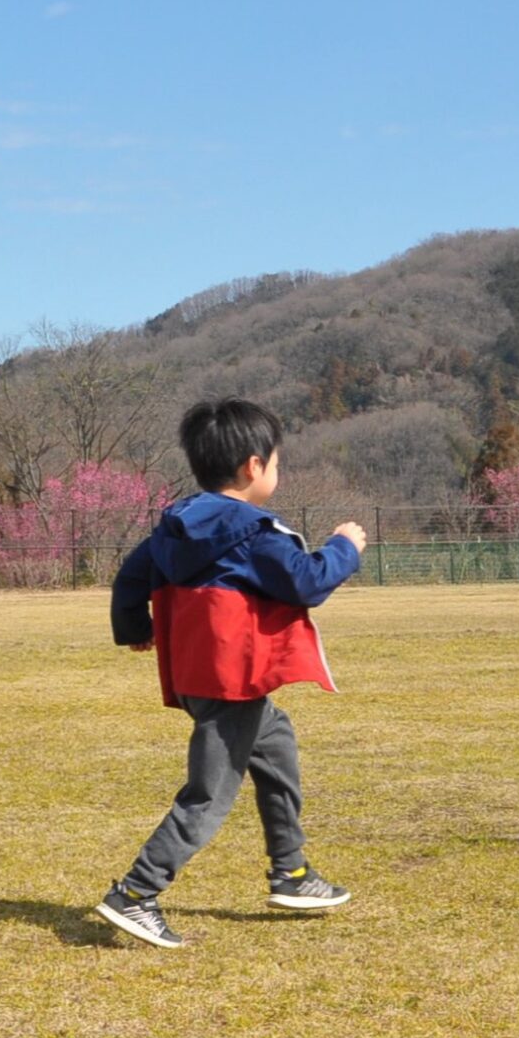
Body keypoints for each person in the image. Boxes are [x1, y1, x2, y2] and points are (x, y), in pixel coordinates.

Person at [96, 398, 368, 950]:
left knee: (277, 745)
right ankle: (136, 893)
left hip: (198, 675)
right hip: (234, 679)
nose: (276, 472)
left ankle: (291, 872)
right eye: (276, 463)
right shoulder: (254, 531)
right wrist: (345, 547)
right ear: (252, 466)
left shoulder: (174, 527)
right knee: (209, 793)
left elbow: (131, 574)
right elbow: (306, 582)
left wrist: (134, 627)